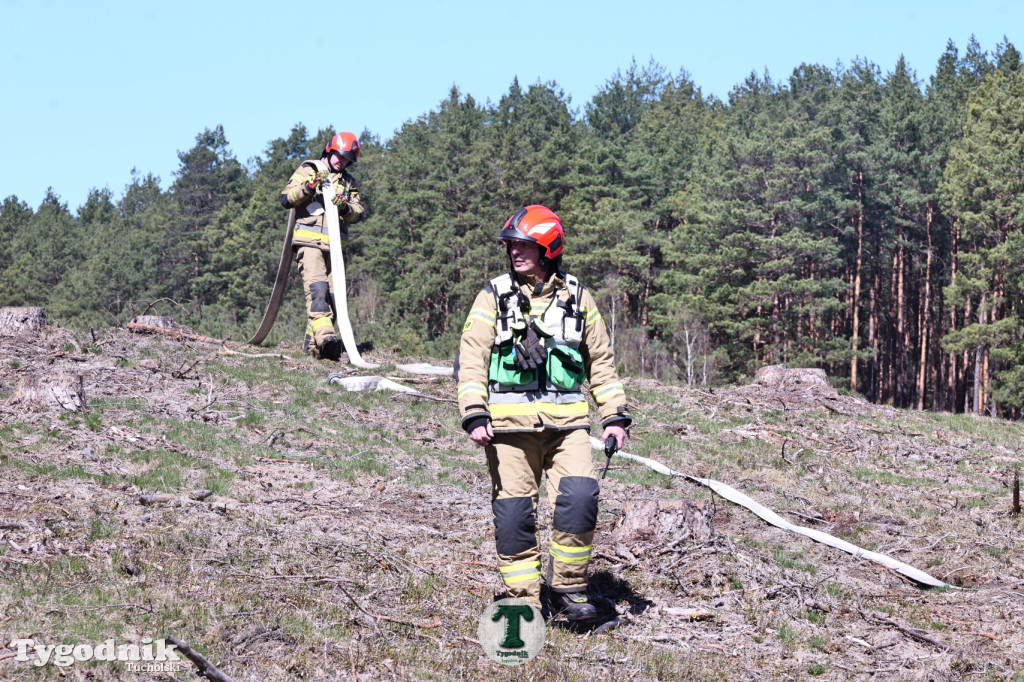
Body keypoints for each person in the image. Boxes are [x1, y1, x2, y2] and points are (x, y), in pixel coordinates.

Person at [456, 205, 631, 621]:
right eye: (511, 246)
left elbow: (601, 362)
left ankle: (567, 592)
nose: (515, 252)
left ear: (548, 248)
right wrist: (474, 413)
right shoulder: (493, 296)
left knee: (580, 498)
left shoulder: (578, 297)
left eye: (524, 245)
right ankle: (525, 598)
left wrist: (614, 417)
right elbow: (472, 357)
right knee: (515, 513)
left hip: (567, 427)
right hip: (508, 430)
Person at [280, 132, 365, 360]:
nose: (343, 162)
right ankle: (327, 338)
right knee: (318, 293)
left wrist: (345, 206)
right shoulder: (309, 169)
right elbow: (286, 198)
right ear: (330, 150)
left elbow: (358, 213)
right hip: (309, 244)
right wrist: (309, 187)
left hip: (335, 250)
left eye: (347, 159)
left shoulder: (348, 182)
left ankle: (313, 346)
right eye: (340, 156)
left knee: (334, 301)